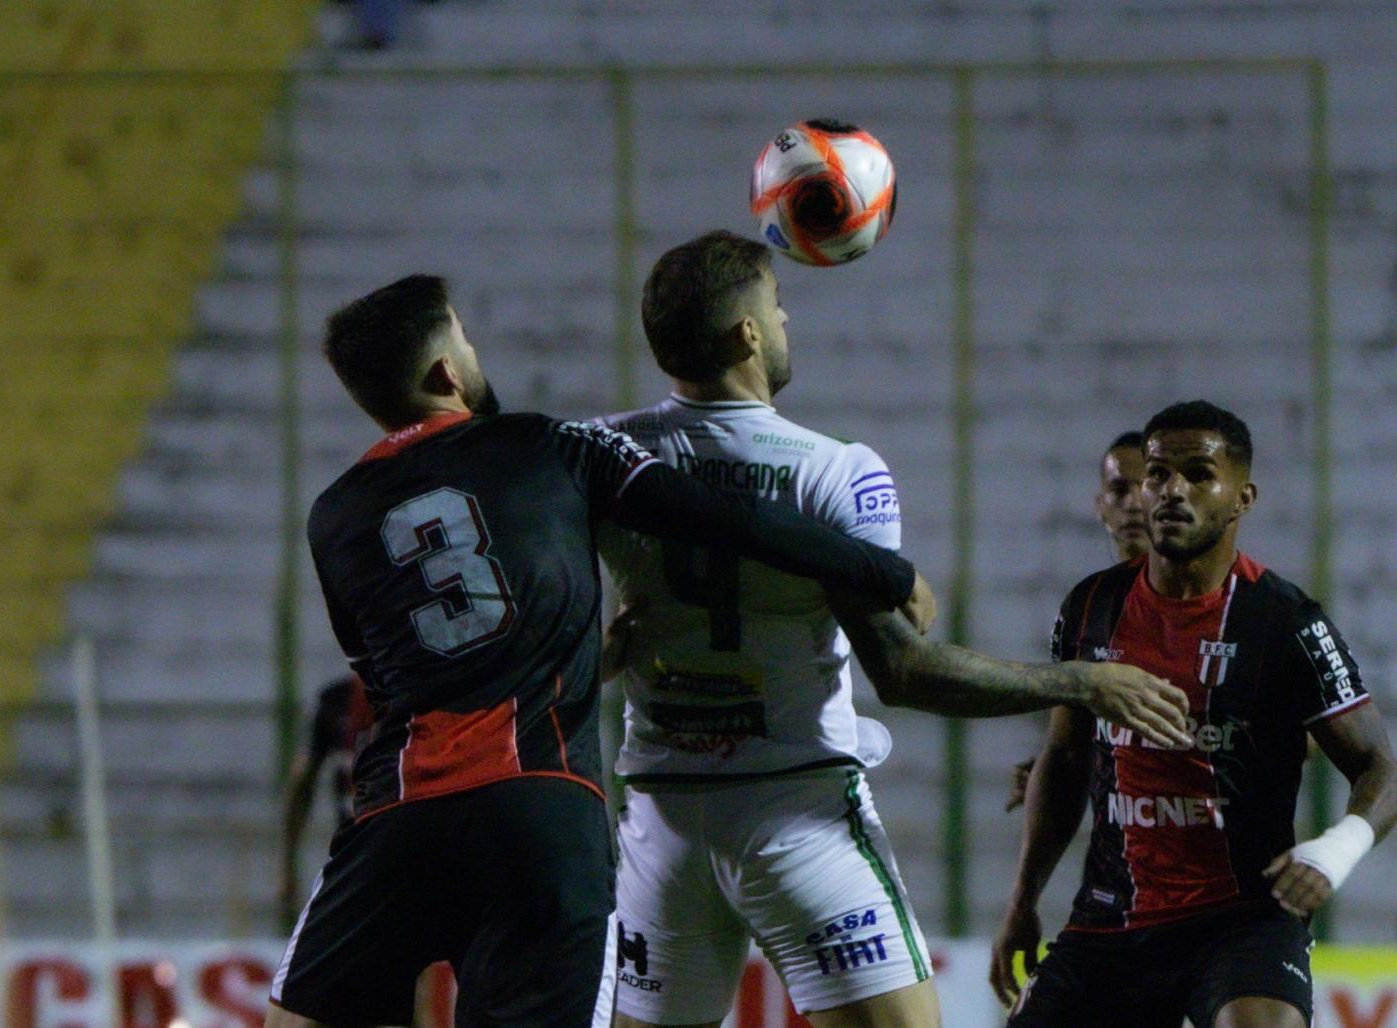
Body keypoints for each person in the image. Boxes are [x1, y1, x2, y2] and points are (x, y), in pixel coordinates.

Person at [266, 274, 931, 1028]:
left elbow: (387, 678)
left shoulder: (332, 514)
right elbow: (722, 518)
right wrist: (883, 571)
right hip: (537, 811)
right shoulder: (550, 445)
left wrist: (581, 650)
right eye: (466, 341)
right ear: (446, 372)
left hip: (399, 818)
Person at [596, 232, 1192, 1028]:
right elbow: (904, 670)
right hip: (797, 813)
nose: (786, 321)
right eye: (777, 306)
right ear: (747, 334)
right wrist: (1083, 681)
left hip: (661, 818)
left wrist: (595, 656)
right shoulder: (835, 469)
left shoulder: (600, 453)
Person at [989, 400, 1397, 1028]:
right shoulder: (1091, 607)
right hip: (1115, 916)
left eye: (1199, 475)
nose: (1171, 490)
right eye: (1157, 474)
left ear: (1242, 498)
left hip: (1245, 918)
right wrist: (1022, 902)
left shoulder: (1285, 621)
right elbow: (1066, 759)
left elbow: (1381, 767)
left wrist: (1334, 851)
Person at [1006, 431, 1151, 811]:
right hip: (1118, 841)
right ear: (1100, 507)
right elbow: (1072, 743)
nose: (1133, 503)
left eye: (1146, 487)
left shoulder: (1211, 601)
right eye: (1119, 490)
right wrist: (1051, 772)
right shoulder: (1087, 608)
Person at [277, 673, 374, 932]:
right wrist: (288, 866)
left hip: (402, 847)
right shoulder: (334, 702)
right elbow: (301, 786)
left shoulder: (413, 695)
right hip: (356, 854)